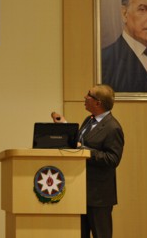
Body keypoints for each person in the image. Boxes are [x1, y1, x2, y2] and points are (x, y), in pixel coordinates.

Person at [51, 84, 124, 238]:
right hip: (81, 191)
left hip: (99, 196)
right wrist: (64, 125)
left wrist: (85, 150)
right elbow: (79, 142)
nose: (85, 97)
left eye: (89, 94)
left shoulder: (113, 127)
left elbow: (112, 159)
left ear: (98, 103)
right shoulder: (89, 120)